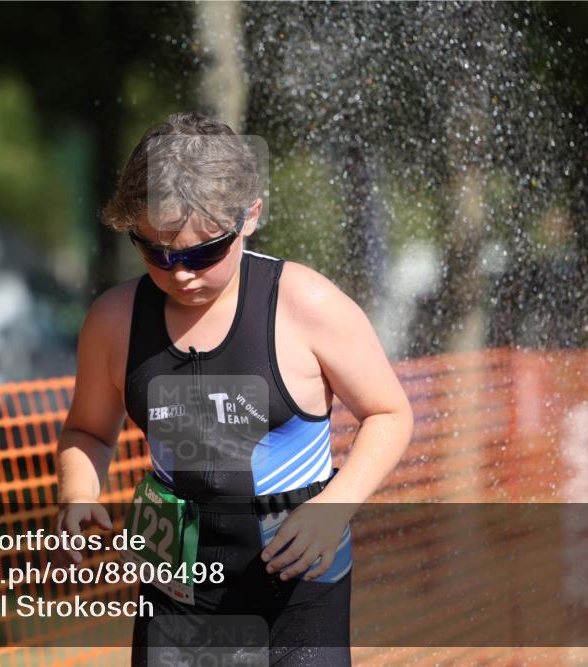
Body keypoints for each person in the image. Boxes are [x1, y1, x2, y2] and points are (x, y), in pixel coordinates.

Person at [54, 112, 414, 666]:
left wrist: (334, 507)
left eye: (201, 254)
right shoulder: (114, 320)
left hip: (297, 561)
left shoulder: (305, 304)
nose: (180, 274)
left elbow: (389, 414)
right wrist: (78, 495)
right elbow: (87, 430)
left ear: (249, 218)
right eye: (155, 252)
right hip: (175, 572)